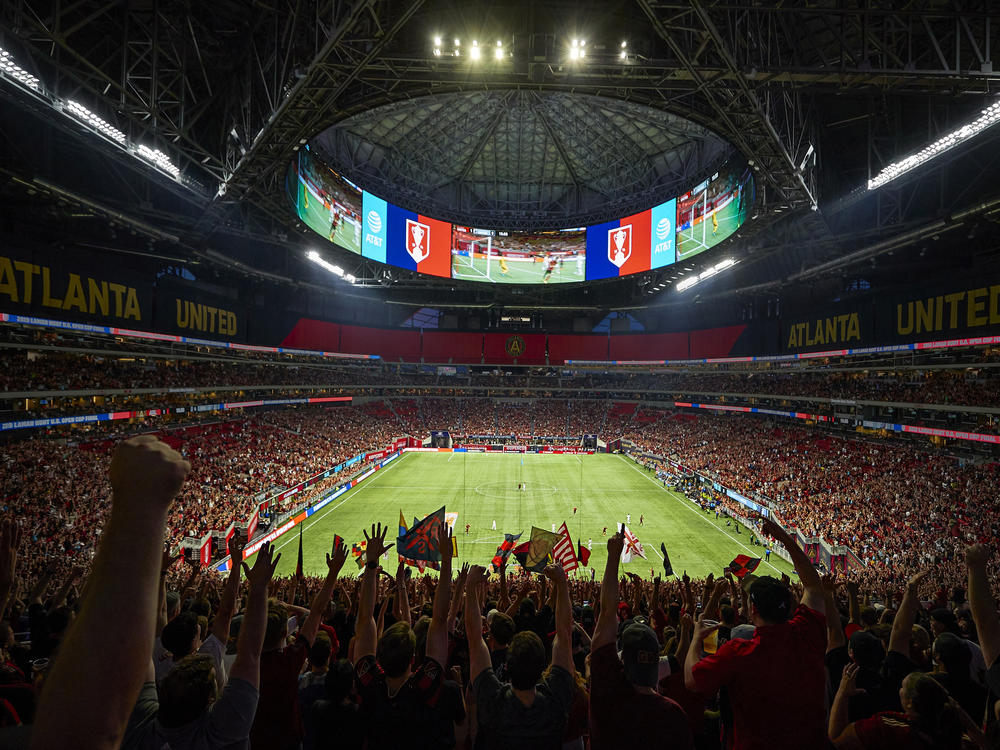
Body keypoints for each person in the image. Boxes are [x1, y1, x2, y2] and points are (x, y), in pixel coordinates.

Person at [121, 543, 281, 750]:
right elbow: (244, 645)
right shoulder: (224, 727)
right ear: (210, 699)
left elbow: (158, 614)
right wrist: (257, 587)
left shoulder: (141, 725)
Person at [685, 517, 827, 750]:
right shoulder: (807, 632)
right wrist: (785, 539)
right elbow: (813, 586)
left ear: (752, 610)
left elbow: (692, 681)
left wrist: (695, 639)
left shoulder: (740, 652)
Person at [354, 520, 457, 749]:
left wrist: (371, 565)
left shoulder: (369, 682)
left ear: (379, 653)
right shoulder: (423, 686)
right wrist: (446, 559)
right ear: (413, 657)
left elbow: (364, 620)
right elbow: (440, 621)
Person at [589, 532, 693, 749]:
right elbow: (677, 659)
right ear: (657, 663)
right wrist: (689, 631)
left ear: (622, 659)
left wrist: (613, 557)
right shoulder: (674, 715)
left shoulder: (606, 692)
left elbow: (607, 613)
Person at [251, 536, 349, 750]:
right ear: (286, 630)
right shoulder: (290, 660)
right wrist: (333, 572)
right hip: (289, 741)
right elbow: (317, 612)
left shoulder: (246, 663)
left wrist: (259, 587)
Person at [465, 563, 574, 748]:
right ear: (542, 667)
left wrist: (469, 586)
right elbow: (564, 635)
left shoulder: (493, 700)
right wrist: (561, 583)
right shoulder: (556, 698)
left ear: (509, 663)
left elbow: (475, 639)